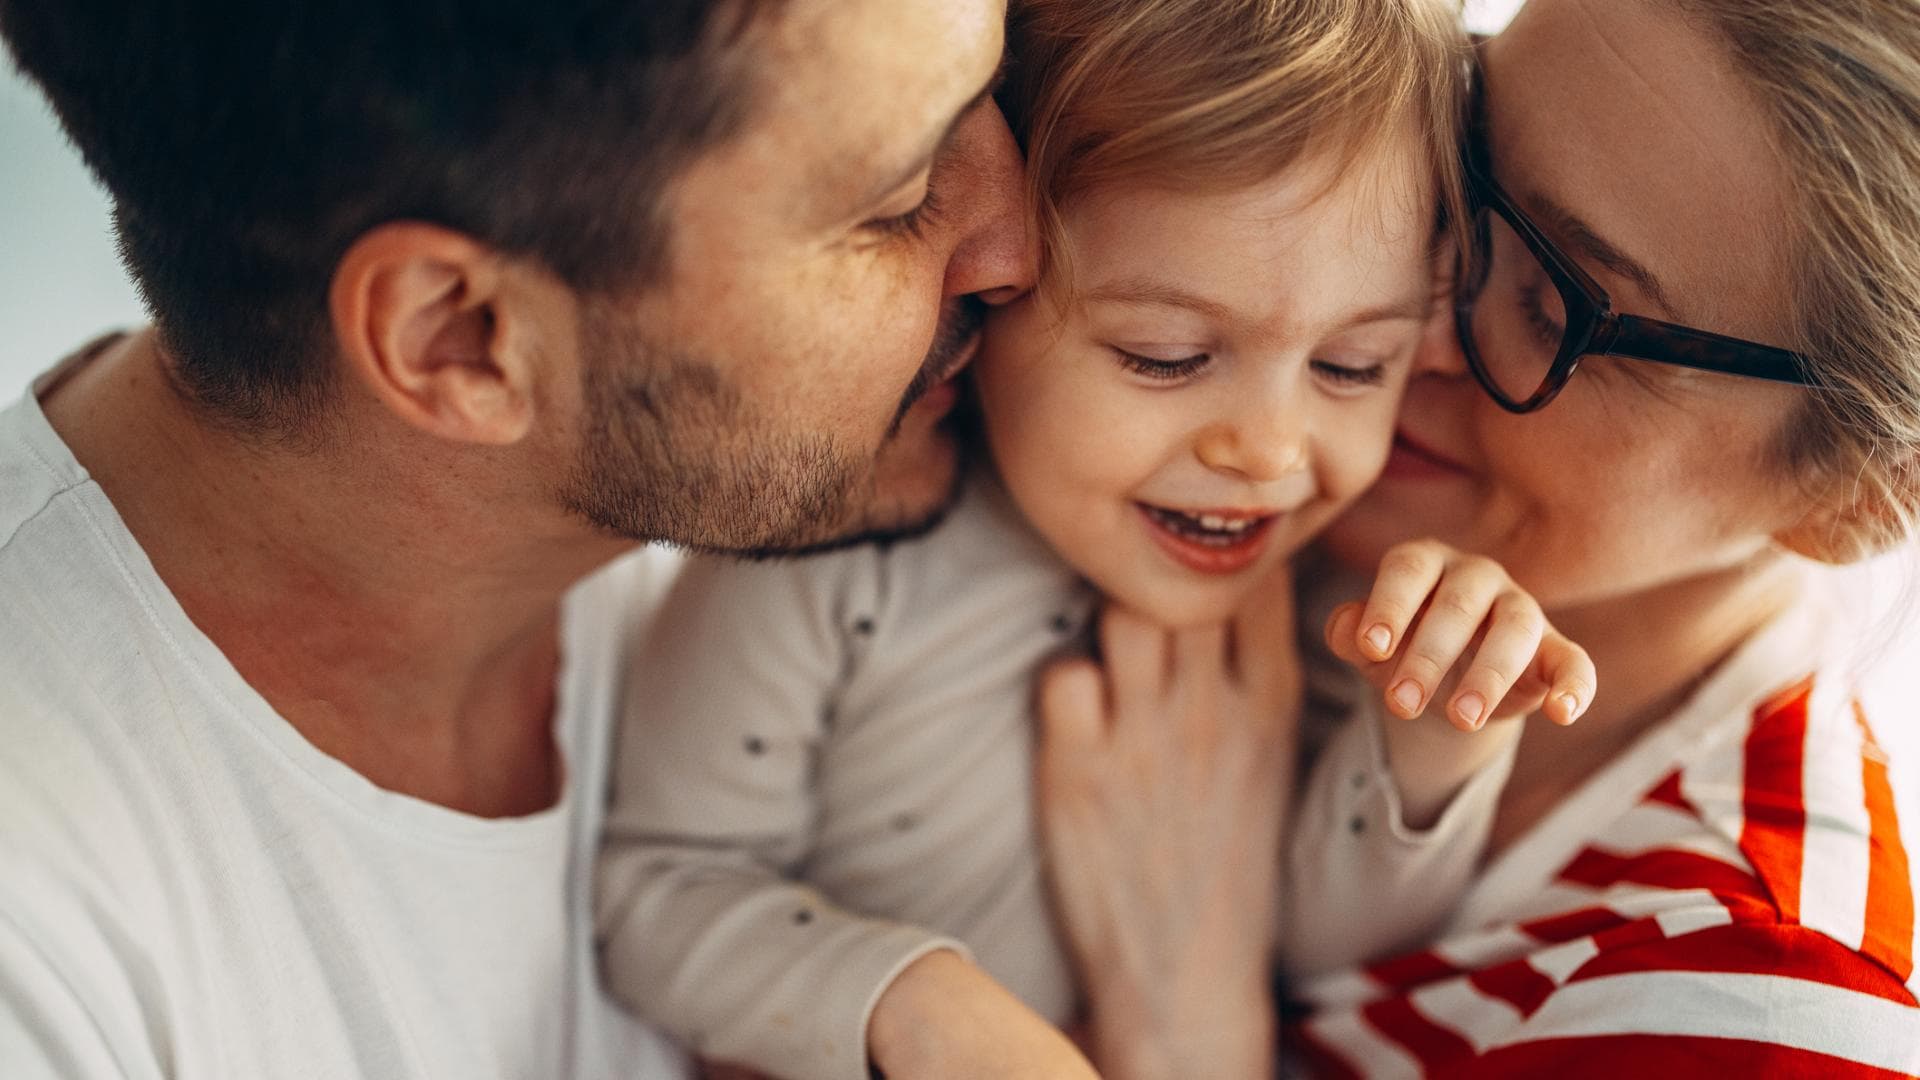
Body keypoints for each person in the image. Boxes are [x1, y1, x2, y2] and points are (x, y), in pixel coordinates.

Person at [0, 0, 1033, 1075]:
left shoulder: (728, 539)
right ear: (462, 338)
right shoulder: (43, 954)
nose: (1020, 245)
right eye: (900, 200)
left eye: (1003, 85)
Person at [595, 2, 1596, 1077]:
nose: (1269, 451)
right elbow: (655, 889)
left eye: (1353, 366)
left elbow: (1319, 948)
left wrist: (1434, 743)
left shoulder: (1321, 591)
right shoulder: (829, 548)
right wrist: (908, 1001)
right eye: (1165, 356)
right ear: (992, 296)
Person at [1036, 0, 1920, 1074]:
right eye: (1456, 147)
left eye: (1553, 308)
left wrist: (1184, 1023)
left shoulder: (1749, 1008)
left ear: (1860, 496)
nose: (1399, 315)